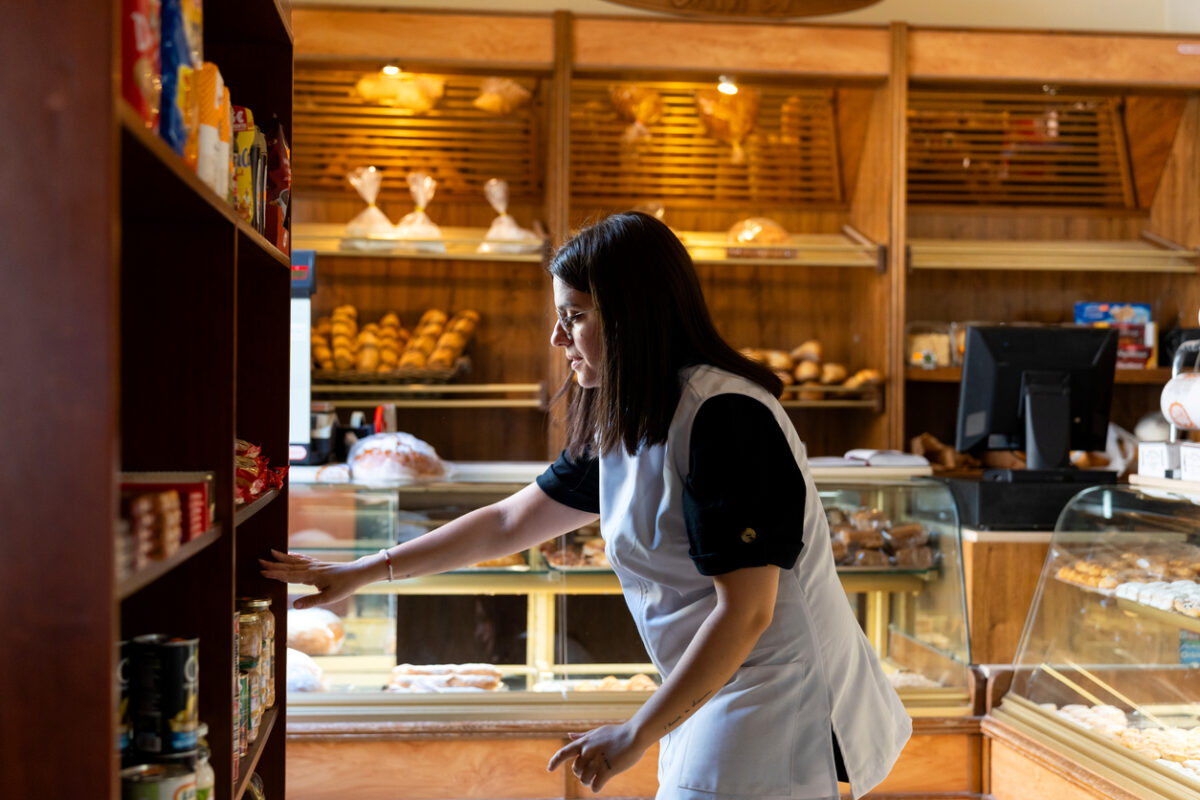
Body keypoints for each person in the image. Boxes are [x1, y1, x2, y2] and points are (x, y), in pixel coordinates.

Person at [261, 211, 911, 799]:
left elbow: (747, 613)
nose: (556, 336)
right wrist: (363, 570)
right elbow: (512, 521)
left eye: (573, 315)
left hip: (781, 704)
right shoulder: (632, 416)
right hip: (707, 692)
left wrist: (635, 732)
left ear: (632, 315)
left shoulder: (727, 419)